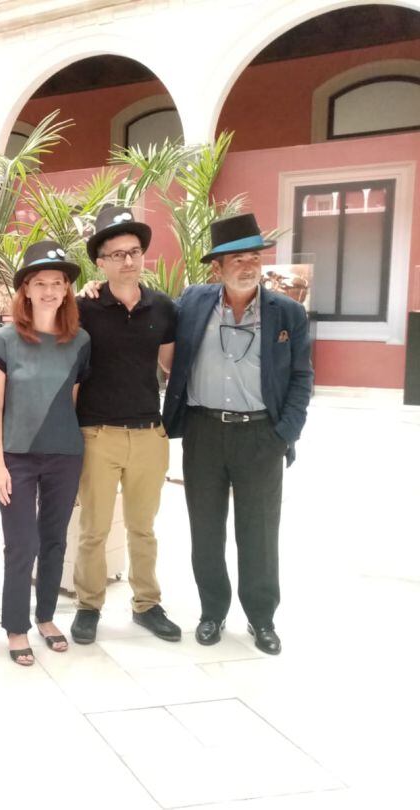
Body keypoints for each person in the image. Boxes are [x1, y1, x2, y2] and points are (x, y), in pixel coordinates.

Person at [163, 213, 313, 656]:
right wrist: (93, 290)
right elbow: (146, 311)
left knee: (260, 531)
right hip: (204, 432)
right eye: (236, 259)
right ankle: (212, 612)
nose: (248, 266)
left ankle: (261, 618)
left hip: (261, 436)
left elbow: (302, 377)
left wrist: (285, 433)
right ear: (217, 267)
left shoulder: (286, 312)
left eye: (254, 257)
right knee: (205, 529)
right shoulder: (192, 302)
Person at [70, 206, 182, 645]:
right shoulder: (84, 307)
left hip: (148, 434)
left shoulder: (164, 307)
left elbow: (172, 368)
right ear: (100, 262)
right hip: (97, 433)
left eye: (133, 252)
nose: (127, 261)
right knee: (94, 528)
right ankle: (88, 606)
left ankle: (147, 604)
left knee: (143, 528)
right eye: (116, 255)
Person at [0, 241, 89, 666]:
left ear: (67, 290)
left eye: (57, 283)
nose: (49, 290)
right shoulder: (5, 339)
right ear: (25, 290)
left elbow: (74, 402)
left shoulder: (80, 341)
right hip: (17, 457)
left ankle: (46, 616)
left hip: (65, 455)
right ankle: (15, 626)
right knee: (20, 543)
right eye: (40, 283)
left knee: (54, 540)